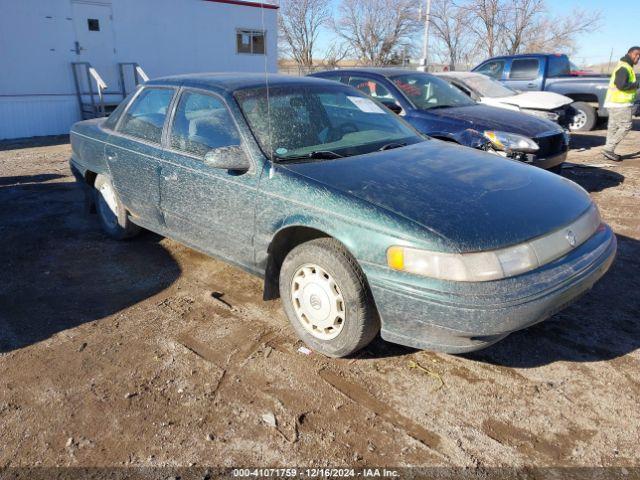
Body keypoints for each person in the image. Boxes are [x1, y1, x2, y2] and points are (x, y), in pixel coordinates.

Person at [603, 46, 640, 161]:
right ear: (630, 54)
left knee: (613, 128)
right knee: (626, 126)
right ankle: (608, 149)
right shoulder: (624, 67)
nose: (638, 58)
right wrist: (637, 84)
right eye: (636, 54)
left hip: (614, 102)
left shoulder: (624, 65)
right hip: (620, 103)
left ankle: (608, 152)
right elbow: (621, 85)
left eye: (639, 56)